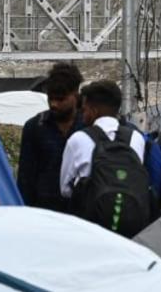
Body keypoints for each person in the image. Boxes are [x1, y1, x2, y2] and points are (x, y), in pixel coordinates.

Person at [59, 80, 150, 236]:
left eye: (85, 109)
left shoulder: (78, 139)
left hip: (89, 228)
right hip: (131, 224)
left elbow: (65, 190)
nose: (83, 114)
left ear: (93, 111)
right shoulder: (136, 138)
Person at [16, 62, 85, 212]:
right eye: (50, 98)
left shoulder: (89, 128)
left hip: (82, 213)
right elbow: (25, 179)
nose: (53, 104)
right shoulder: (35, 127)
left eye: (60, 99)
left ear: (75, 95)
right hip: (44, 212)